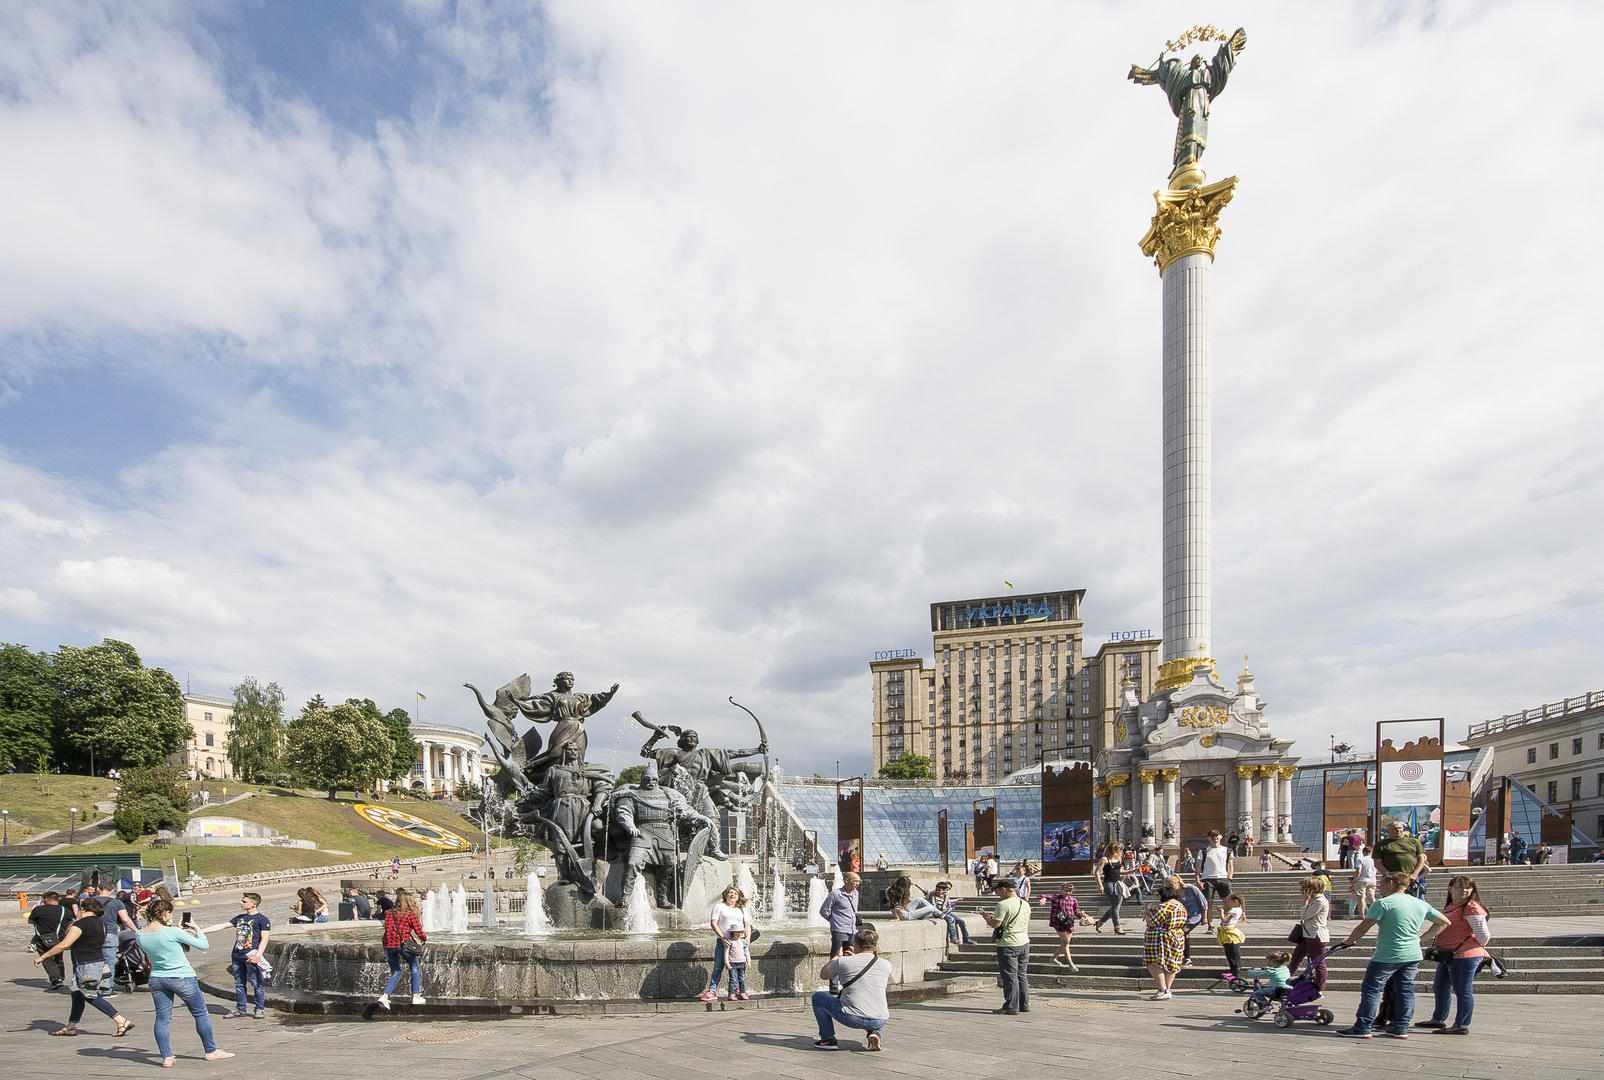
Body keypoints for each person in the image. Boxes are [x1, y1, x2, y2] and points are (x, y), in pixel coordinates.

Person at [1335, 871, 1451, 1038]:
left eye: (1381, 883)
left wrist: (1349, 940)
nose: (1378, 886)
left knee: (1372, 989)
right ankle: (1400, 1027)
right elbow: (1444, 922)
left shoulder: (1383, 903)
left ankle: (1363, 1026)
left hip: (1387, 955)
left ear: (1391, 883)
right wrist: (1421, 938)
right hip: (1412, 954)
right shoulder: (1420, 903)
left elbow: (1363, 927)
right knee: (1406, 990)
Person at [139, 899, 234, 1065]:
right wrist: (196, 928)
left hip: (157, 978)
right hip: (181, 976)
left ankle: (166, 1056)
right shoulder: (173, 932)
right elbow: (203, 945)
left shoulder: (139, 934)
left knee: (162, 1018)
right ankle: (210, 1050)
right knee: (200, 1013)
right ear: (165, 914)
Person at [32, 897, 135, 1037]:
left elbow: (64, 944)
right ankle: (71, 1026)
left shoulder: (80, 925)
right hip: (98, 962)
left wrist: (43, 957)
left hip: (85, 964)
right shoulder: (101, 923)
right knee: (77, 994)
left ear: (83, 909)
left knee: (89, 994)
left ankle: (120, 1020)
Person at [1417, 875, 1490, 1035]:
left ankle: (1462, 1025)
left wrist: (1478, 948)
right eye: (1459, 887)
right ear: (1450, 889)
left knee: (1462, 990)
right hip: (1448, 954)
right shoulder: (1452, 905)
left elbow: (1483, 935)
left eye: (1467, 888)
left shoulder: (1471, 907)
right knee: (1440, 986)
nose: (1464, 891)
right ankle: (1438, 1019)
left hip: (1465, 955)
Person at [811, 926, 891, 1051]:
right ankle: (875, 1033)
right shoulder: (886, 965)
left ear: (855, 944)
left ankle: (828, 1039)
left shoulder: (843, 962)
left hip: (851, 1017)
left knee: (818, 997)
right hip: (880, 1019)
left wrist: (836, 957)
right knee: (874, 996)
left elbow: (824, 975)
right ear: (874, 946)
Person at [201, 893, 270, 1018]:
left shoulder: (262, 920)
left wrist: (258, 956)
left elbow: (264, 939)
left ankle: (259, 1008)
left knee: (256, 983)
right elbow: (221, 926)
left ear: (253, 904)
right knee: (239, 984)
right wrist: (199, 932)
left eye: (244, 901)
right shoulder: (240, 918)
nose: (241, 903)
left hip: (251, 956)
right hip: (237, 955)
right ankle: (240, 1008)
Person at [983, 878, 1030, 1015]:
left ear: (1003, 889)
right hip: (1024, 942)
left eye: (998, 891)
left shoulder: (1003, 904)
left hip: (1008, 944)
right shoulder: (1024, 903)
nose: (998, 894)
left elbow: (996, 924)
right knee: (1022, 974)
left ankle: (1011, 1006)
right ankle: (1024, 1004)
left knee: (1010, 976)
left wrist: (986, 918)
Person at [377, 888, 427, 1009]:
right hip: (403, 945)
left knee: (396, 972)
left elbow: (393, 928)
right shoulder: (411, 914)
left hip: (388, 945)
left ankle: (384, 996)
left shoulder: (388, 913)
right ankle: (415, 996)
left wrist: (410, 936)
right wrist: (423, 939)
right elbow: (419, 930)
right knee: (414, 967)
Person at [702, 885, 754, 1002]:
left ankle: (737, 989)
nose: (732, 895)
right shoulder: (719, 907)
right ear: (726, 895)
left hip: (739, 942)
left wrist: (748, 938)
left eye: (735, 893)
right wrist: (722, 937)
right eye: (730, 893)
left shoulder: (742, 909)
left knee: (738, 967)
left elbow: (747, 925)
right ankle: (712, 990)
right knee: (718, 966)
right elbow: (714, 923)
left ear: (739, 897)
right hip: (724, 941)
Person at [1142, 881, 1187, 1000]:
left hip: (1161, 938)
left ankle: (1162, 989)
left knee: (1153, 963)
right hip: (1177, 935)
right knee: (1172, 964)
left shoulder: (1164, 906)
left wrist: (1147, 914)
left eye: (1158, 895)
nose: (1158, 898)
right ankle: (1167, 989)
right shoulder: (1181, 906)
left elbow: (1152, 922)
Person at [818, 871, 861, 994]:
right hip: (840, 930)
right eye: (855, 881)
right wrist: (834, 921)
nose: (857, 884)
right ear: (846, 881)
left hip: (852, 930)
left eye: (859, 881)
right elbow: (823, 911)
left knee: (851, 955)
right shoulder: (836, 894)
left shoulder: (856, 894)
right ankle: (833, 984)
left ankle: (848, 981)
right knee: (837, 955)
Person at [1289, 875, 1331, 993]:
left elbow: (1305, 915)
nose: (1301, 891)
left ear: (1311, 889)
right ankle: (1281, 980)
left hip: (1316, 936)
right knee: (1295, 959)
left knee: (1318, 963)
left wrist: (1304, 902)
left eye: (1304, 888)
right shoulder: (1314, 900)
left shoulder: (1320, 901)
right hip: (1307, 934)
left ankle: (1319, 989)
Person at [29, 891, 70, 989]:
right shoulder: (64, 910)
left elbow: (30, 920)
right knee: (58, 958)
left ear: (46, 899)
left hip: (43, 938)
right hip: (59, 937)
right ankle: (60, 977)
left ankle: (56, 980)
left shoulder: (38, 910)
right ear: (57, 899)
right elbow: (69, 922)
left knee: (47, 959)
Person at [1039, 881, 1083, 970]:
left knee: (1065, 943)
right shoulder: (1056, 898)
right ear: (1061, 890)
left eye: (1069, 891)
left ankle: (1053, 958)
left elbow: (1077, 911)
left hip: (1069, 923)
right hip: (1058, 922)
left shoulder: (1073, 900)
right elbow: (1042, 896)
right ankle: (1071, 964)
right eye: (1066, 890)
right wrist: (1043, 899)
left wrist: (1083, 916)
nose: (1067, 893)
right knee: (1065, 942)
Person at [1374, 819, 1426, 888]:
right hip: (1392, 880)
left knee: (1411, 897)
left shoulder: (1414, 842)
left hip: (1410, 877)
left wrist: (1415, 874)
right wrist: (1390, 875)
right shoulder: (1381, 844)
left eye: (1400, 828)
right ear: (1387, 831)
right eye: (1394, 829)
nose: (1398, 830)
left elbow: (1421, 859)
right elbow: (1377, 863)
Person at [1170, 874, 1207, 968]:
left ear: (1177, 882)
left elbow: (1203, 902)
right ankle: (1185, 957)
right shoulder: (1173, 894)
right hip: (1183, 918)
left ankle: (1185, 957)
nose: (1169, 887)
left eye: (1171, 885)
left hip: (1195, 915)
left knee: (1183, 932)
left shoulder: (1191, 888)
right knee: (1183, 934)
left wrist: (1204, 917)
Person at [1198, 830, 1234, 928]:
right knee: (1209, 902)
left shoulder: (1227, 850)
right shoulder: (1204, 851)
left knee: (1227, 901)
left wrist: (1229, 878)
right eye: (1212, 836)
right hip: (1208, 878)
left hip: (1223, 878)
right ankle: (1210, 924)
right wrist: (1198, 879)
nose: (1214, 838)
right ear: (1208, 838)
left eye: (1216, 836)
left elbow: (1230, 865)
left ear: (1221, 837)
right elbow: (1198, 866)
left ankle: (1226, 922)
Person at [1093, 842, 1128, 933]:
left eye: (1120, 850)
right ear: (1113, 850)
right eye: (1118, 850)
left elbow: (1120, 871)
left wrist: (1133, 870)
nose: (1120, 852)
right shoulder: (1105, 859)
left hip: (1118, 884)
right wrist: (1100, 885)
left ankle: (1100, 922)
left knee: (1115, 906)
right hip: (1108, 884)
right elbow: (1097, 872)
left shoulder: (1118, 859)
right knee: (1116, 905)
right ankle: (1117, 926)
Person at [1216, 893, 1247, 980]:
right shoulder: (1238, 909)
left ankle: (1236, 972)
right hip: (1228, 932)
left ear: (1235, 902)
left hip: (1230, 934)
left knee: (1233, 954)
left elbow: (1224, 919)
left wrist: (1221, 911)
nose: (1227, 903)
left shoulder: (1234, 910)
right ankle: (1233, 970)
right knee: (1230, 954)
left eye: (1229, 901)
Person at [1349, 845, 1378, 918]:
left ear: (1364, 852)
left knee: (1361, 898)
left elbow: (1358, 871)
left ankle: (1362, 915)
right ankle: (1376, 913)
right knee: (1372, 897)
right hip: (1372, 880)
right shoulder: (1374, 860)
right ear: (1371, 852)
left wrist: (1354, 880)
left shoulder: (1361, 859)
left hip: (1362, 880)